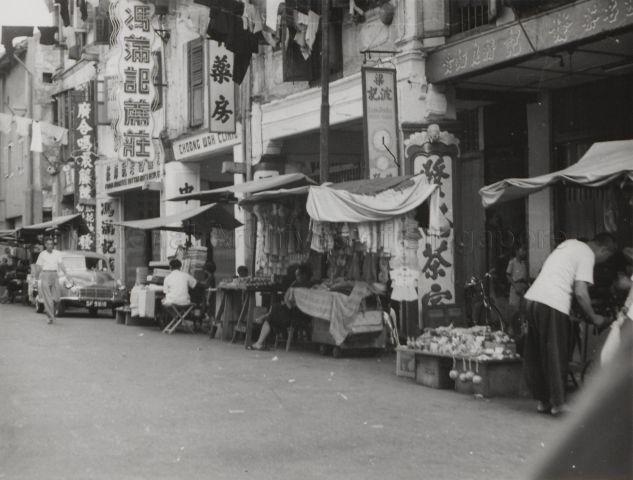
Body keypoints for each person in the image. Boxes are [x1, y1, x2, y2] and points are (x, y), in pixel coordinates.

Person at [522, 233, 617, 416]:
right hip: (552, 302)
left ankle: (543, 401)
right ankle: (558, 404)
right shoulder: (588, 254)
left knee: (536, 353)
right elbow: (581, 292)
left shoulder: (569, 244)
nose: (601, 262)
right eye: (605, 258)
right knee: (556, 353)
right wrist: (594, 316)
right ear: (604, 250)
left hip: (532, 299)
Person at [249, 264, 313, 351]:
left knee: (275, 309)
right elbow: (288, 299)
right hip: (292, 311)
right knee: (274, 311)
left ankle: (263, 324)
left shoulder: (307, 286)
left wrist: (288, 303)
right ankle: (259, 342)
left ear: (304, 275)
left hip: (299, 314)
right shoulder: (296, 284)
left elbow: (291, 302)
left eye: (298, 275)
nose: (296, 277)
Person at [35, 238, 70, 324]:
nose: (50, 246)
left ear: (53, 245)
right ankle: (50, 317)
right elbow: (38, 267)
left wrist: (66, 274)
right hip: (45, 275)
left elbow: (61, 264)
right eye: (48, 244)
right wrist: (36, 278)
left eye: (51, 244)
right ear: (45, 245)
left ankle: (52, 313)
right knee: (48, 298)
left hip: (55, 275)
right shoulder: (42, 254)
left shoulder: (57, 253)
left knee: (57, 298)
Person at [506, 244, 529, 337]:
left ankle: (522, 330)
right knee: (513, 309)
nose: (524, 252)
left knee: (522, 309)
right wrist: (515, 286)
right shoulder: (512, 262)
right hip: (515, 287)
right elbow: (507, 275)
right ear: (517, 251)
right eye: (522, 250)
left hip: (523, 287)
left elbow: (525, 277)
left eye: (525, 250)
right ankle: (511, 329)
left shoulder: (523, 264)